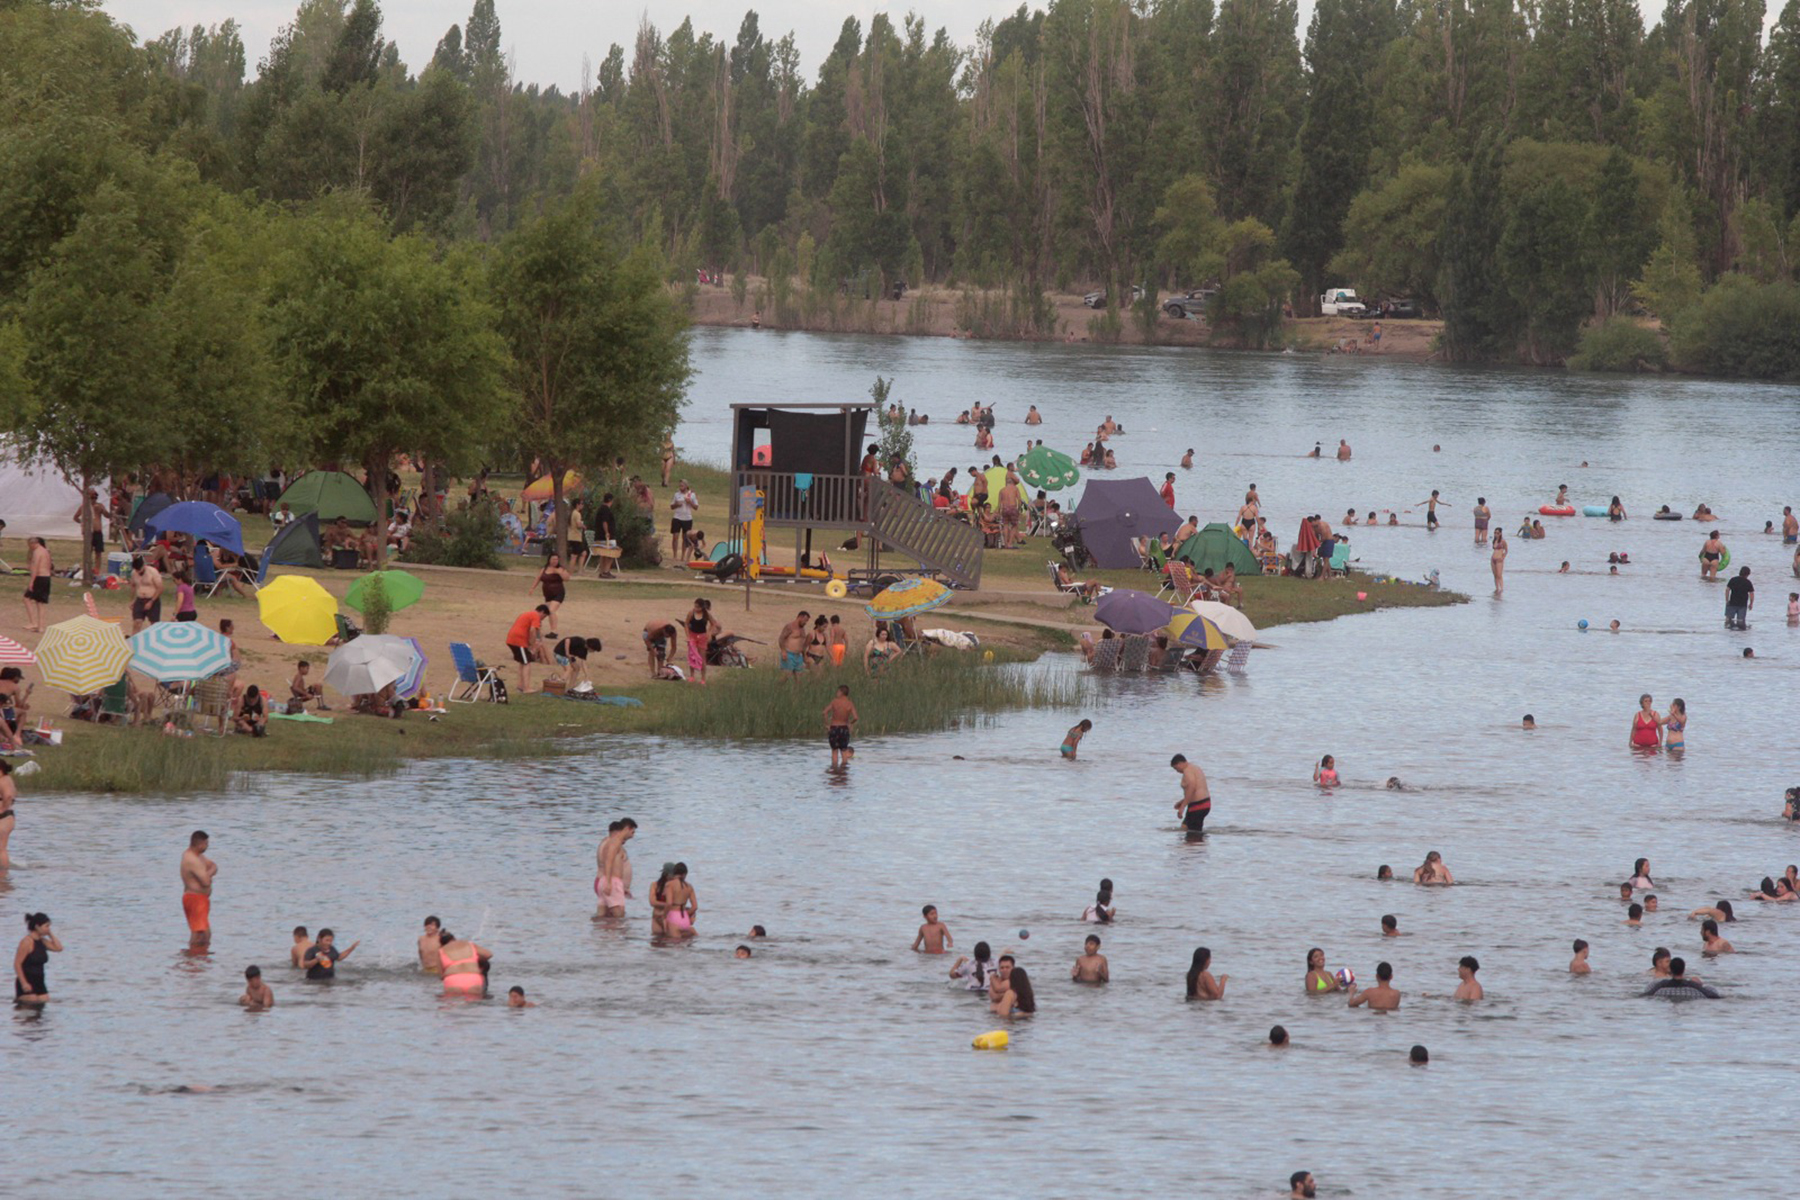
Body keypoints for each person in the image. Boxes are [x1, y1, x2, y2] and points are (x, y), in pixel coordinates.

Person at [181, 830, 217, 952]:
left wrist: (208, 873)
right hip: (194, 898)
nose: (208, 846)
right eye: (206, 843)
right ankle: (193, 961)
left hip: (201, 899)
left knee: (204, 934)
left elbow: (214, 866)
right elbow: (205, 882)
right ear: (200, 844)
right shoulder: (192, 859)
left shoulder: (199, 856)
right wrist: (208, 875)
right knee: (200, 933)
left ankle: (200, 957)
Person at [13, 912, 60, 1003]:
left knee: (44, 1000)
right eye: (46, 926)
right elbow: (17, 964)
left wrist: (50, 934)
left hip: (39, 980)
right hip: (27, 979)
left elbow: (58, 948)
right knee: (32, 1002)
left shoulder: (42, 941)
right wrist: (24, 983)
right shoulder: (26, 942)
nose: (48, 929)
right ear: (37, 927)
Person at [596, 817, 637, 917]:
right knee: (619, 916)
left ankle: (599, 933)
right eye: (632, 832)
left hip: (604, 881)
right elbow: (608, 861)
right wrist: (609, 883)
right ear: (627, 828)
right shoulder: (615, 842)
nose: (632, 836)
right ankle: (617, 933)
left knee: (601, 917)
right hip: (612, 882)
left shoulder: (609, 841)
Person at [505, 604, 551, 693]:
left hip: (511, 639)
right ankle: (526, 688)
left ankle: (520, 685)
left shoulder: (527, 614)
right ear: (541, 612)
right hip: (518, 641)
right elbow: (532, 630)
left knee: (523, 662)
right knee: (527, 663)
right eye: (544, 616)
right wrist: (532, 644)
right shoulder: (535, 616)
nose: (542, 619)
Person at [437, 928, 491, 994]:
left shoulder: (441, 951)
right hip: (473, 978)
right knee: (476, 1002)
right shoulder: (469, 944)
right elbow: (488, 954)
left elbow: (441, 975)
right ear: (454, 939)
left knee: (449, 1002)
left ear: (441, 944)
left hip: (453, 981)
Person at [1171, 753, 1211, 835]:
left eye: (1176, 768)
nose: (1177, 771)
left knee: (1193, 835)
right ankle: (1195, 847)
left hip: (1197, 806)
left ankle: (1199, 847)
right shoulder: (1194, 768)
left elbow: (1192, 787)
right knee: (1184, 828)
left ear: (1180, 763)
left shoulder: (1187, 771)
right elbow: (1196, 790)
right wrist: (1182, 801)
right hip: (1204, 803)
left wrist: (1182, 807)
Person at [1642, 957, 1720, 998]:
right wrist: (1701, 985)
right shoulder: (1692, 985)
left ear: (1671, 970)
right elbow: (1712, 995)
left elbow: (1647, 994)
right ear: (1684, 970)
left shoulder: (1662, 984)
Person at [532, 554, 572, 636]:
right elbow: (538, 578)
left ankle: (554, 632)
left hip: (558, 593)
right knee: (544, 612)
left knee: (551, 610)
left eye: (557, 559)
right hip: (548, 595)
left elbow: (567, 579)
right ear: (549, 560)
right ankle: (534, 627)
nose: (555, 561)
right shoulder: (544, 569)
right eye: (553, 559)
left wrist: (560, 573)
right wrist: (532, 588)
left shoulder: (560, 569)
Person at [684, 598, 719, 686]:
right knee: (692, 656)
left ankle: (703, 679)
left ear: (702, 608)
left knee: (702, 657)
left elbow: (713, 623)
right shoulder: (691, 613)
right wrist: (688, 636)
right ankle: (692, 676)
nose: (695, 608)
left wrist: (709, 632)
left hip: (702, 636)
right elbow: (686, 624)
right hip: (692, 636)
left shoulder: (706, 614)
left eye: (697, 607)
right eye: (695, 606)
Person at [21, 537, 52, 632]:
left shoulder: (37, 552)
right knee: (40, 602)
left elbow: (35, 567)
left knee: (26, 599)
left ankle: (33, 622)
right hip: (46, 577)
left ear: (33, 544)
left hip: (39, 577)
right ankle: (40, 626)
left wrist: (31, 581)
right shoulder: (46, 551)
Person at [823, 685, 858, 769]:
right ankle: (844, 772)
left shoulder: (835, 702)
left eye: (838, 691)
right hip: (844, 729)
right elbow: (856, 717)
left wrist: (828, 725)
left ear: (841, 692)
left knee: (834, 751)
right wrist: (850, 723)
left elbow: (824, 712)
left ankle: (834, 771)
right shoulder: (850, 703)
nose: (836, 693)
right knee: (844, 751)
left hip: (834, 728)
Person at [669, 479, 699, 562]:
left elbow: (696, 507)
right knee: (675, 537)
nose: (680, 487)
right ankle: (675, 555)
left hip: (687, 518)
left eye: (682, 485)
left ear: (686, 486)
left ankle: (683, 556)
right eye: (679, 485)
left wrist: (690, 502)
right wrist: (676, 504)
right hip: (677, 517)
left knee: (685, 538)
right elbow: (671, 506)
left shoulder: (692, 495)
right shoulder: (676, 494)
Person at [777, 610, 811, 679]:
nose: (805, 623)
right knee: (786, 676)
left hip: (798, 656)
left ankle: (797, 690)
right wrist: (783, 651)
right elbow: (781, 638)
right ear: (800, 617)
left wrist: (804, 656)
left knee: (799, 678)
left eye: (807, 621)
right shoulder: (790, 626)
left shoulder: (802, 629)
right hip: (789, 654)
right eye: (805, 620)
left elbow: (802, 644)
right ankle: (777, 688)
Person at [1724, 565, 1754, 629]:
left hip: (1732, 603)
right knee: (1741, 621)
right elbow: (1751, 594)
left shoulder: (1733, 580)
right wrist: (1751, 604)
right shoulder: (1748, 582)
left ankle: (1729, 631)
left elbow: (1727, 590)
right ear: (1747, 574)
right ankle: (1741, 632)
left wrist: (1727, 600)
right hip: (1742, 605)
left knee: (1728, 620)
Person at [1490, 529, 1506, 595]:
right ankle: (1497, 588)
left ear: (1500, 533)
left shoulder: (1503, 541)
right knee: (1495, 575)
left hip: (1499, 559)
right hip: (1493, 559)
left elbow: (1506, 550)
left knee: (1499, 575)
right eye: (1495, 533)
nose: (1496, 534)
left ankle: (1502, 588)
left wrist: (1503, 557)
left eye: (1497, 533)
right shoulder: (1494, 541)